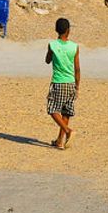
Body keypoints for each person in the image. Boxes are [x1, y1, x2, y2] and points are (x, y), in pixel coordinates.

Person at [44, 17, 80, 150]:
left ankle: (68, 131)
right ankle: (60, 141)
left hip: (58, 82)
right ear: (68, 31)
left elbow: (47, 60)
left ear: (56, 30)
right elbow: (77, 68)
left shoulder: (52, 45)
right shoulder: (74, 47)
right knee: (66, 112)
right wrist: (77, 86)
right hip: (71, 83)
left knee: (52, 109)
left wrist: (52, 55)